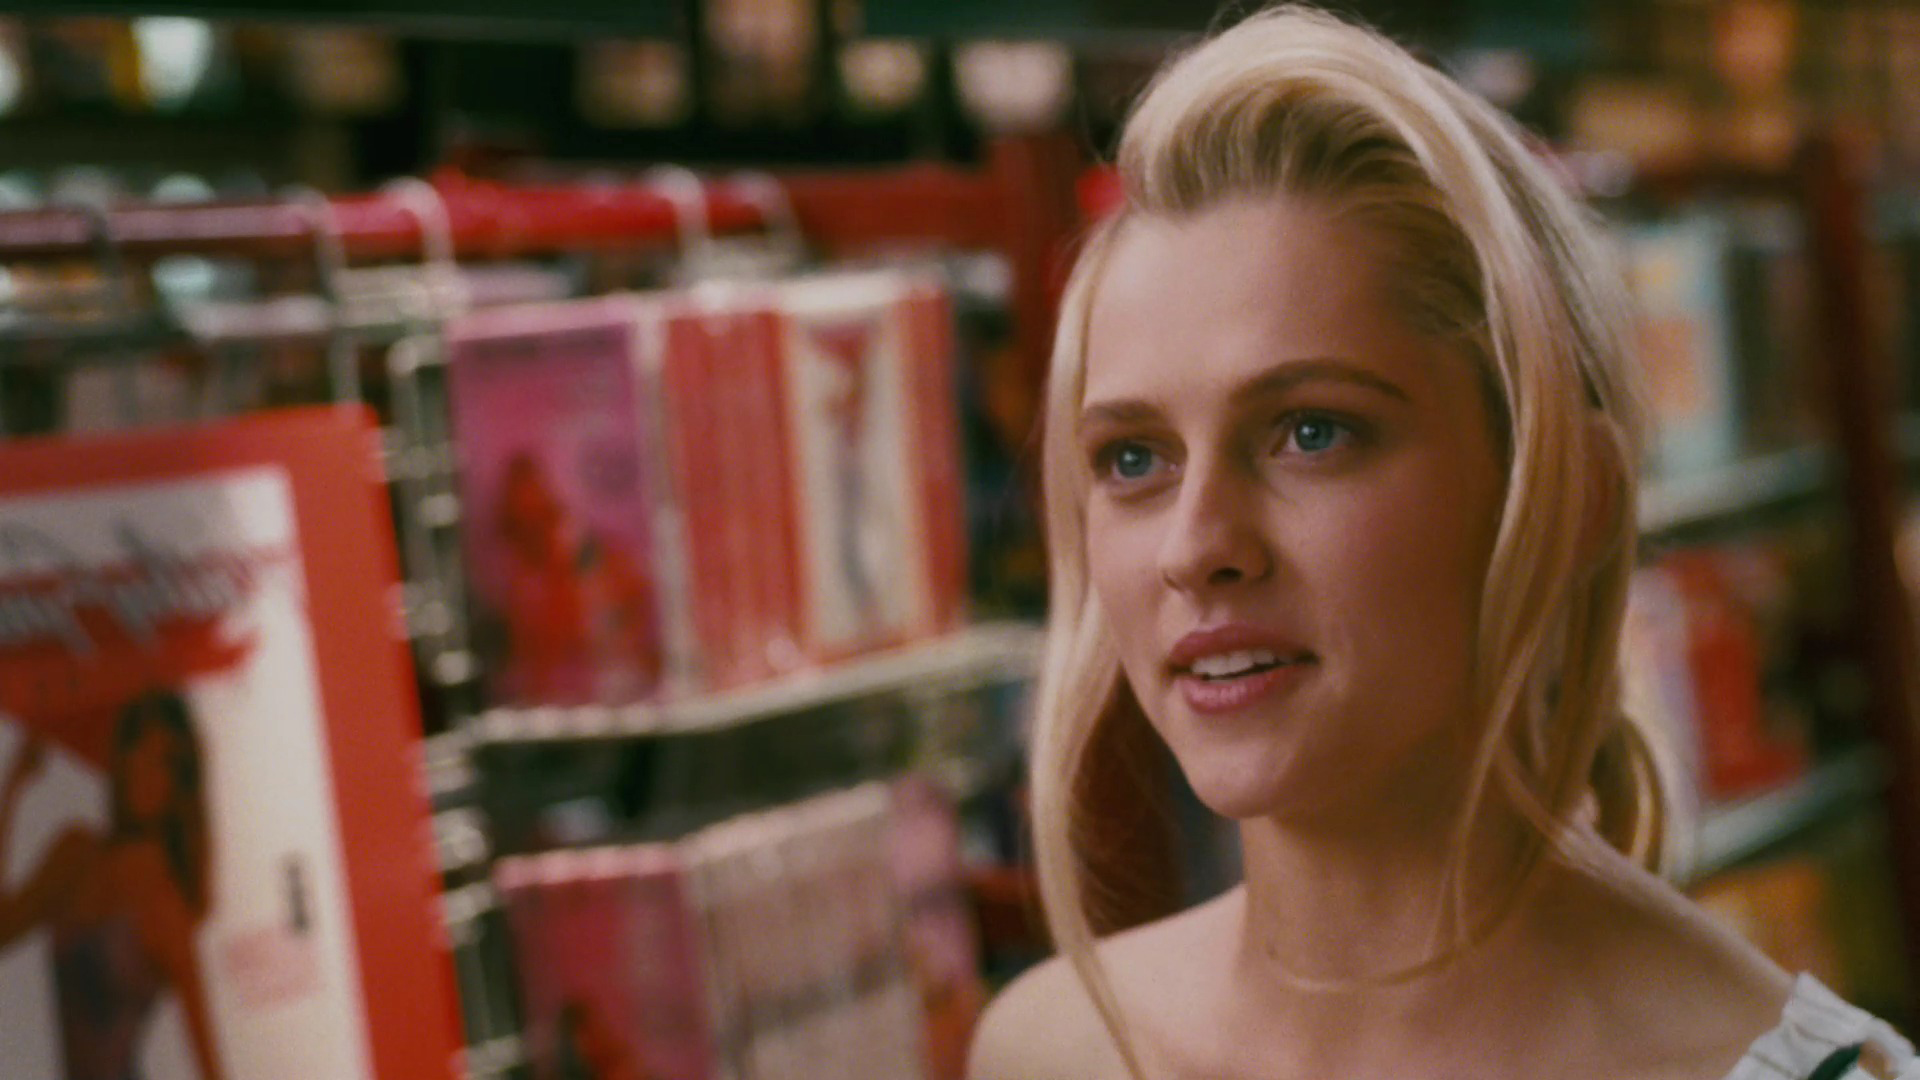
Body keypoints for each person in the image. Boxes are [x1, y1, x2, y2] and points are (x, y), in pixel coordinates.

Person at [967, 7, 1916, 1080]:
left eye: (1311, 432)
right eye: (1134, 458)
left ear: (1564, 496)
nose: (1194, 548)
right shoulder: (1053, 1051)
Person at [0, 693, 226, 1080]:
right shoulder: (75, 855)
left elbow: (210, 1066)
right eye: (135, 750)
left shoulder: (165, 906)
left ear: (178, 782)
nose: (142, 772)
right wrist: (13, 788)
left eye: (160, 761)